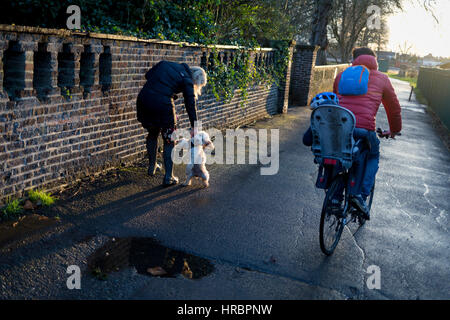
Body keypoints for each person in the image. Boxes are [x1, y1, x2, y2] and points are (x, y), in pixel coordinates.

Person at [332, 47, 402, 218]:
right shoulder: (382, 79)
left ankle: (334, 199)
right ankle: (360, 196)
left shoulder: (342, 75)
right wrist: (394, 130)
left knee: (339, 154)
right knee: (372, 156)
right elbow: (393, 110)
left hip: (341, 126)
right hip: (364, 130)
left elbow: (335, 99)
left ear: (354, 59)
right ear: (375, 60)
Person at [136, 61, 207, 187]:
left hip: (144, 100)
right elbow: (190, 104)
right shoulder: (187, 80)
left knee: (152, 133)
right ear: (195, 79)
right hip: (163, 106)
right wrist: (195, 126)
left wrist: (168, 92)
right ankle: (169, 177)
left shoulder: (165, 64)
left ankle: (152, 166)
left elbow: (148, 76)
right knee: (169, 139)